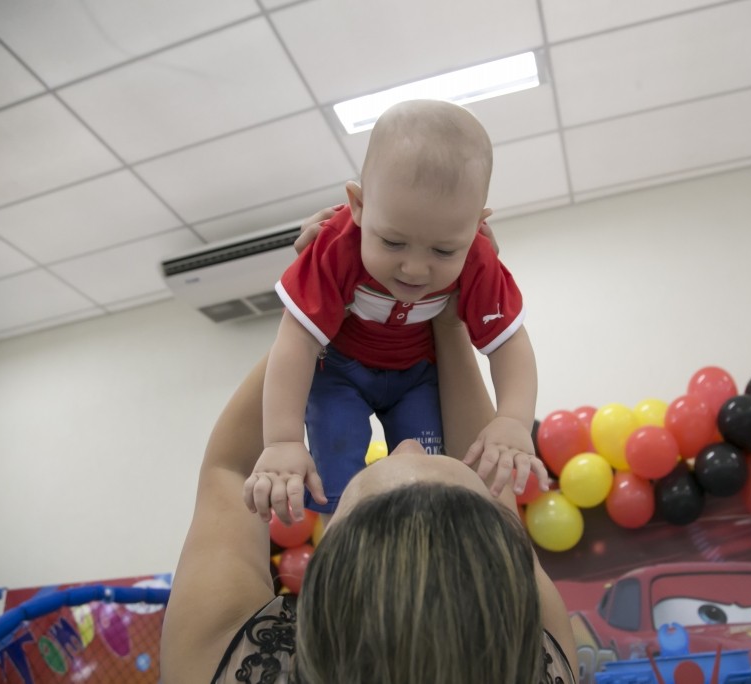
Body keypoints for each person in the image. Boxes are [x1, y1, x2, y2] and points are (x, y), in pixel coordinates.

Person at [161, 211, 577, 684]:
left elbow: (230, 471)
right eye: (439, 460)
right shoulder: (544, 657)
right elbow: (484, 469)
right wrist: (445, 309)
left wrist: (324, 294)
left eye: (369, 477)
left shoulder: (222, 658)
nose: (406, 447)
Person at [245, 99, 544, 525]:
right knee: (338, 461)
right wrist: (281, 440)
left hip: (416, 375)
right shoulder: (335, 245)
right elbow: (295, 341)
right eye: (392, 243)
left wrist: (513, 419)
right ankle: (342, 542)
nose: (415, 268)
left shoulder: (477, 257)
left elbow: (509, 343)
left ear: (477, 225)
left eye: (443, 250)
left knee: (431, 476)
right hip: (339, 372)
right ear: (359, 206)